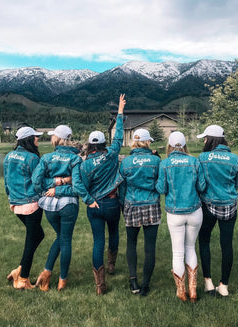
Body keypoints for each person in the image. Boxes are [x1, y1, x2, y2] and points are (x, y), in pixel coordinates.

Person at [74, 94, 126, 295]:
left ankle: (100, 285)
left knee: (98, 241)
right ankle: (111, 266)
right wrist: (120, 111)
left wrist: (88, 200)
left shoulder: (85, 164)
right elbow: (119, 135)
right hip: (112, 203)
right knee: (113, 233)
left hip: (94, 206)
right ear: (104, 142)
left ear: (89, 144)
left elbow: (80, 185)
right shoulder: (112, 154)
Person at [32, 125, 88, 291]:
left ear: (57, 138)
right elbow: (77, 186)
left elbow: (36, 182)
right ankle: (62, 280)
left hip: (49, 205)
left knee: (61, 237)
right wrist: (62, 182)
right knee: (65, 240)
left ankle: (47, 272)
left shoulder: (47, 158)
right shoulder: (76, 159)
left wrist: (53, 187)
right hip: (68, 205)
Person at [156, 131, 205, 302]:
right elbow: (202, 186)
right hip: (194, 211)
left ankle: (181, 291)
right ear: (185, 145)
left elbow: (161, 189)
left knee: (178, 253)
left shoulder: (165, 164)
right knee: (191, 248)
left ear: (169, 145)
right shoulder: (194, 161)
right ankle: (193, 290)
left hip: (175, 213)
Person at [197, 125, 238, 297]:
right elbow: (236, 183)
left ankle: (208, 281)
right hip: (229, 205)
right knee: (226, 244)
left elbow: (200, 184)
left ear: (211, 139)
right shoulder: (234, 158)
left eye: (205, 138)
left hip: (208, 204)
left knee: (204, 240)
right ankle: (224, 285)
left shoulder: (203, 157)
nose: (204, 141)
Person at [119, 128, 161, 297]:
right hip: (151, 204)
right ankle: (145, 284)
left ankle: (133, 280)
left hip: (131, 204)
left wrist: (123, 205)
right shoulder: (155, 161)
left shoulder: (126, 162)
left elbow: (122, 187)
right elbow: (160, 183)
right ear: (148, 142)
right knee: (150, 247)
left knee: (131, 243)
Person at [4, 126, 44, 290]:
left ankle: (19, 269)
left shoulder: (8, 156)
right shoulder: (32, 158)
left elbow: (6, 181)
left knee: (38, 235)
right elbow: (38, 182)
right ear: (29, 139)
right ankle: (23, 279)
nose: (38, 140)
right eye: (36, 137)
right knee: (31, 240)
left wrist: (10, 197)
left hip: (15, 203)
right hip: (31, 204)